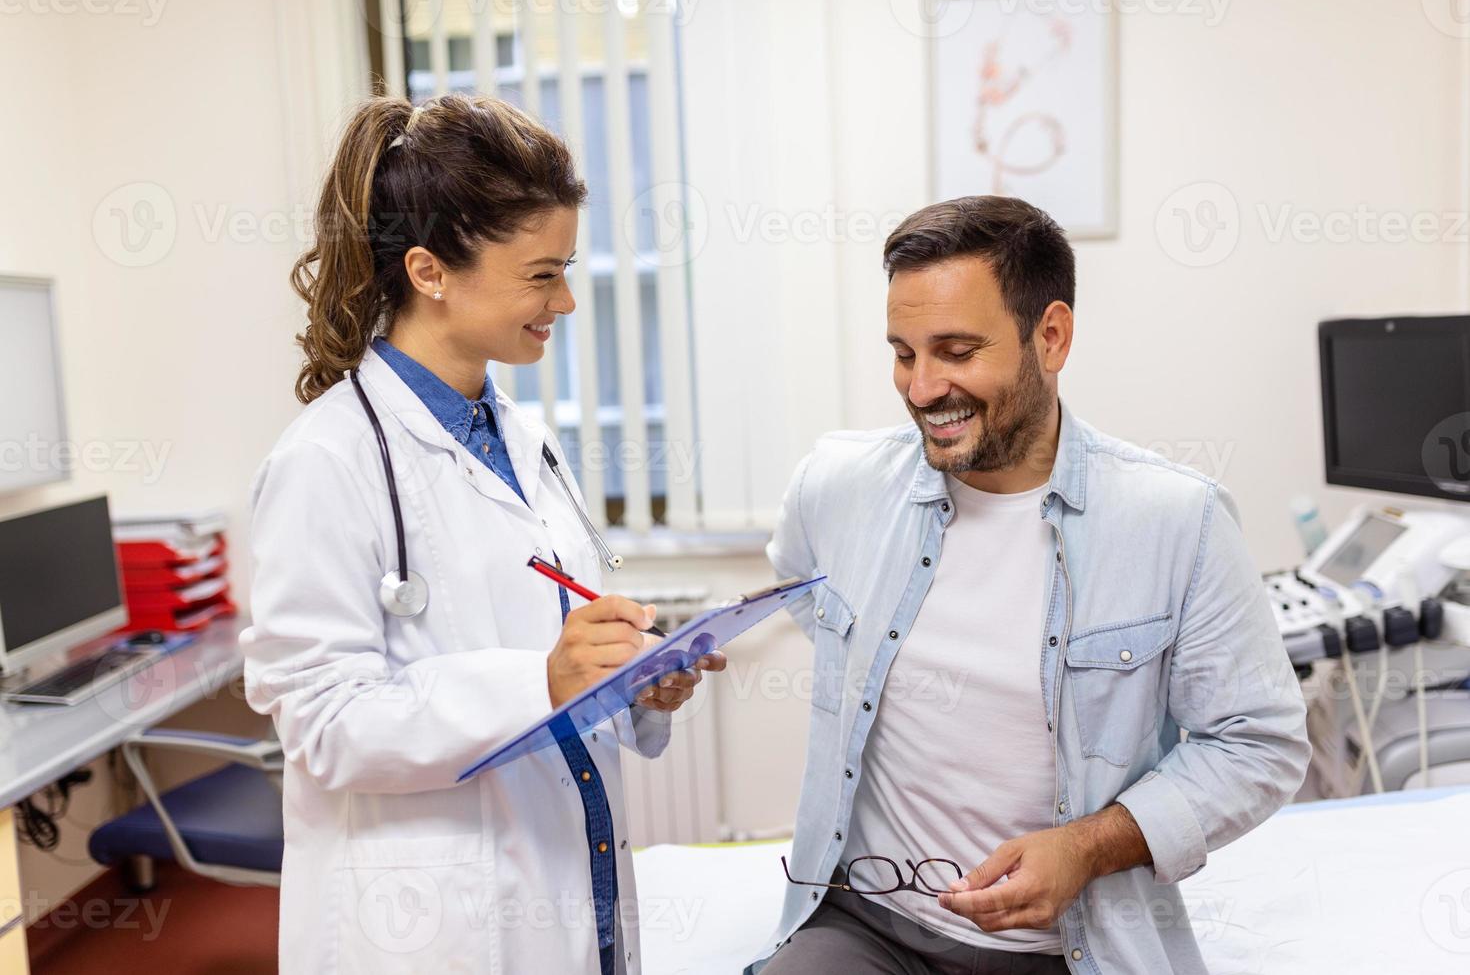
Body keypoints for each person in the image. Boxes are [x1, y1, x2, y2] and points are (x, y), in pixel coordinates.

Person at [753, 196, 1309, 974]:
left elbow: (1259, 743)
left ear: (1050, 336)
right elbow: (799, 583)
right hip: (864, 925)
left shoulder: (1177, 523)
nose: (919, 388)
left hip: (1067, 946)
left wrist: (1087, 849)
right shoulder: (837, 486)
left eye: (955, 350)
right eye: (904, 353)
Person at [240, 94, 723, 974]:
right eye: (542, 274)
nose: (568, 300)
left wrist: (628, 678)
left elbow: (547, 655)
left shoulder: (521, 437)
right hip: (431, 924)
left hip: (569, 880)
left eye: (567, 268)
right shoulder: (328, 463)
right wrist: (545, 678)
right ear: (429, 271)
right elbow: (322, 722)